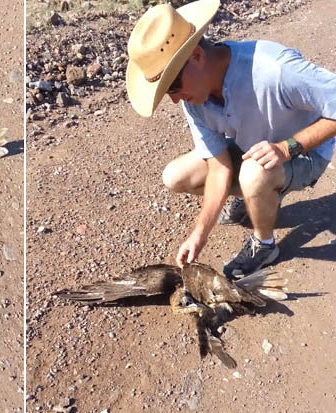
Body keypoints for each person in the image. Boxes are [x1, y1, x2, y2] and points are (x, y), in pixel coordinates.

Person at [125, 0, 336, 278]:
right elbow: (218, 166)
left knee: (253, 172)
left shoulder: (273, 69)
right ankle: (258, 194)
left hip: (305, 152)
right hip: (256, 149)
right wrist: (199, 234)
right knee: (175, 176)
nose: (175, 99)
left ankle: (265, 244)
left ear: (197, 56)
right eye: (167, 92)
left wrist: (287, 148)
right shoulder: (195, 99)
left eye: (174, 86)